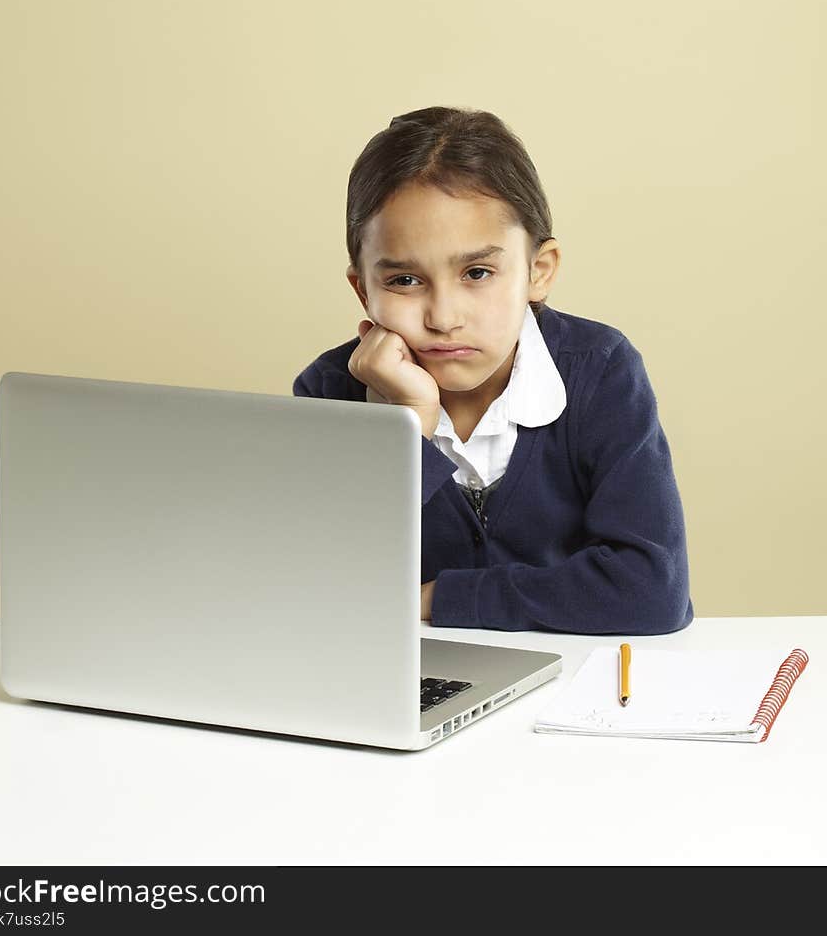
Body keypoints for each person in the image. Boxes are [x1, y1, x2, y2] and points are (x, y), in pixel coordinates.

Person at [293, 105, 693, 634]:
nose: (443, 317)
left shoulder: (600, 371)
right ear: (363, 289)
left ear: (538, 272)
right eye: (405, 282)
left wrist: (442, 597)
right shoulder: (330, 391)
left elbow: (651, 590)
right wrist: (406, 424)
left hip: (572, 686)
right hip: (409, 687)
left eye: (477, 272)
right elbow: (323, 586)